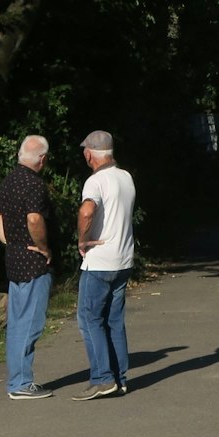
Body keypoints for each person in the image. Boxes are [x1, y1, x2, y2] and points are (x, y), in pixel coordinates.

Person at [0, 134, 55, 400]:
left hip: (14, 260)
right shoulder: (34, 184)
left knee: (16, 323)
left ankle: (18, 380)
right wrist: (44, 246)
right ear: (43, 159)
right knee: (30, 324)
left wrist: (8, 240)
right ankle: (21, 382)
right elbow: (35, 218)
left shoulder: (10, 180)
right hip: (33, 263)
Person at [72, 129, 137, 400]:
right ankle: (120, 378)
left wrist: (82, 240)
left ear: (89, 154)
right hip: (124, 259)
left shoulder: (95, 181)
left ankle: (101, 378)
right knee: (113, 320)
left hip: (100, 261)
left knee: (89, 319)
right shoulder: (126, 177)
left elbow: (87, 211)